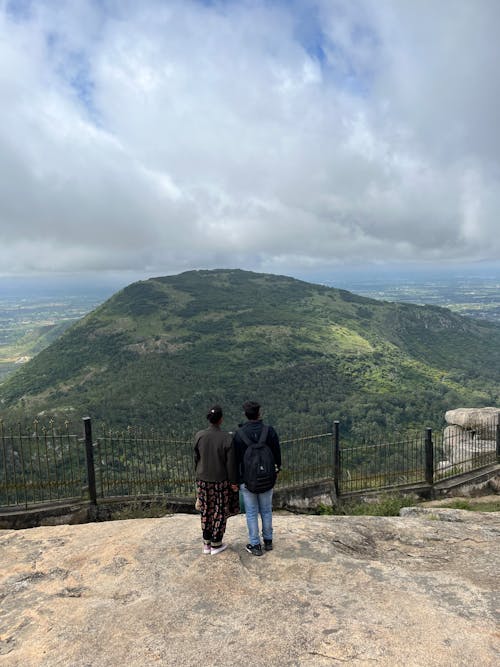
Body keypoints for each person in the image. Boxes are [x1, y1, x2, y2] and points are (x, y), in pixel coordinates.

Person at [232, 400, 281, 556]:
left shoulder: (239, 435)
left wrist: (235, 480)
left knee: (251, 512)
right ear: (259, 413)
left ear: (245, 415)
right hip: (267, 478)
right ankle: (268, 541)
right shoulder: (269, 431)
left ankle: (255, 545)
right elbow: (277, 454)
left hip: (247, 480)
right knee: (266, 510)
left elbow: (235, 460)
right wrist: (276, 470)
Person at [194, 405, 239, 555]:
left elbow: (196, 458)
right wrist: (233, 483)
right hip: (220, 480)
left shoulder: (199, 435)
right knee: (219, 511)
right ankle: (216, 543)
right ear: (221, 419)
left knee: (206, 509)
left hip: (202, 479)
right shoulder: (227, 438)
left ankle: (206, 543)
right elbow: (230, 464)